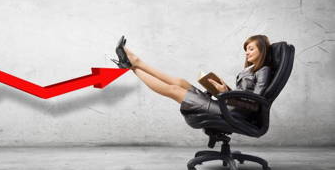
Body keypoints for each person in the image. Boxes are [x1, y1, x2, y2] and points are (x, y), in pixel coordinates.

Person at [111, 35, 272, 121]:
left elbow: (256, 105)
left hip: (233, 112)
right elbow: (243, 95)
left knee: (174, 90)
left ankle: (130, 65)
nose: (247, 52)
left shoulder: (263, 71)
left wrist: (226, 94)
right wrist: (223, 90)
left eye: (251, 49)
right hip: (228, 105)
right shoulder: (251, 69)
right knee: (181, 82)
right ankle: (136, 61)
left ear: (262, 50)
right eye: (246, 49)